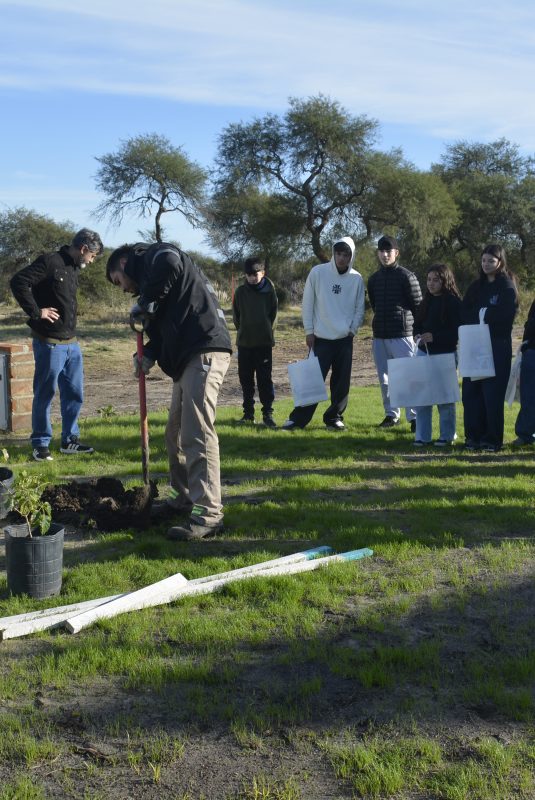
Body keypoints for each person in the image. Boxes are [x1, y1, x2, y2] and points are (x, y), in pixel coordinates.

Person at [106, 242, 232, 541]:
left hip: (204, 350)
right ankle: (182, 497)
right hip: (187, 357)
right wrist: (148, 353)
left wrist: (146, 302)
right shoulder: (158, 286)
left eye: (117, 281)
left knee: (196, 433)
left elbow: (171, 260)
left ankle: (209, 515)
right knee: (174, 433)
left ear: (124, 263)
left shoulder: (155, 256)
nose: (123, 290)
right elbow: (164, 331)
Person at [10, 228, 104, 462]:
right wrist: (36, 312)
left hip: (72, 343)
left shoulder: (73, 267)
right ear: (83, 249)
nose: (91, 261)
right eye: (92, 256)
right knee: (45, 393)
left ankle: (69, 441)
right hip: (49, 343)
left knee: (74, 393)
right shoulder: (50, 262)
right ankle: (40, 444)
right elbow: (19, 281)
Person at [282, 237, 365, 431]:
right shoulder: (318, 273)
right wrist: (309, 331)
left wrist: (352, 330)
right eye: (338, 254)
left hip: (344, 339)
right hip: (320, 338)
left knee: (341, 383)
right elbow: (307, 304)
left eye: (346, 255)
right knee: (311, 381)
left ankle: (334, 417)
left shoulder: (356, 278)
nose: (342, 258)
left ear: (351, 256)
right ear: (333, 254)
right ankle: (298, 419)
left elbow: (359, 308)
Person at [461, 244, 518, 452]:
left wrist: (482, 314)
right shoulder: (476, 287)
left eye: (491, 261)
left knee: (491, 395)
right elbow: (464, 311)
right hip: (474, 346)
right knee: (471, 393)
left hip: (496, 346)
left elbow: (505, 317)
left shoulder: (506, 286)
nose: (486, 264)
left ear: (500, 262)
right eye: (484, 260)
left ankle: (491, 439)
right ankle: (473, 437)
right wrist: (482, 314)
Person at [367, 235, 422, 430]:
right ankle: (391, 415)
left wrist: (418, 332)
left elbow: (418, 307)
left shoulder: (407, 276)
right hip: (380, 336)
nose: (384, 255)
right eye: (381, 251)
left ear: (396, 253)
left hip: (403, 335)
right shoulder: (373, 279)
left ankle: (415, 417)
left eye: (388, 251)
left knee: (408, 378)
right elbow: (375, 305)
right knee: (384, 379)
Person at [412, 264, 462, 446]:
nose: (431, 284)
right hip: (423, 354)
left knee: (445, 398)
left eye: (436, 280)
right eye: (429, 280)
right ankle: (422, 436)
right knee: (422, 398)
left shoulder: (454, 303)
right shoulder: (425, 301)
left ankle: (447, 436)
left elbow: (457, 332)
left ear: (445, 280)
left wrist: (435, 337)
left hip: (445, 356)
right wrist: (417, 335)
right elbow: (416, 325)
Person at [232, 257, 278, 427]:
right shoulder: (240, 292)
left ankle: (268, 414)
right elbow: (236, 317)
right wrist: (244, 330)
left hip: (264, 344)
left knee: (265, 380)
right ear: (245, 275)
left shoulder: (269, 291)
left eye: (256, 274)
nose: (252, 277)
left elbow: (274, 314)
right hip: (244, 344)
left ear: (263, 273)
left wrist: (267, 332)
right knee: (246, 380)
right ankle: (248, 414)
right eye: (249, 275)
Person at [512, 298, 535, 446]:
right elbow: (530, 323)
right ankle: (525, 434)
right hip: (532, 351)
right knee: (528, 397)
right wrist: (526, 346)